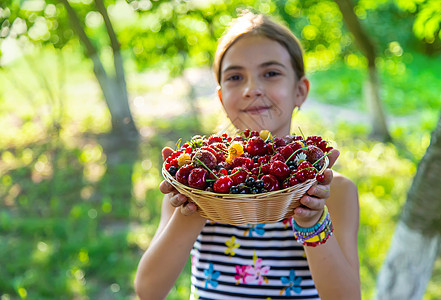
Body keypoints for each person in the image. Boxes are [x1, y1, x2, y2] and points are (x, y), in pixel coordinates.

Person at [134, 11, 360, 300]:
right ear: (220, 97)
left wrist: (311, 221)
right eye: (236, 77)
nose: (252, 89)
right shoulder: (196, 181)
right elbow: (149, 291)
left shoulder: (331, 192)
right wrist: (195, 206)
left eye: (271, 73)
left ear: (300, 90)